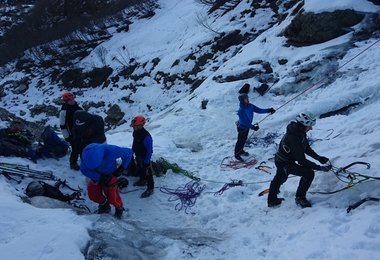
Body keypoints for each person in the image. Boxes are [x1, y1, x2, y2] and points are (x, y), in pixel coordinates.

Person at [267, 112, 332, 208]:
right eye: (309, 126)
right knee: (308, 173)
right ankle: (300, 197)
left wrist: (318, 158)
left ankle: (272, 200)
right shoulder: (293, 138)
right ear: (303, 125)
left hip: (285, 160)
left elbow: (306, 148)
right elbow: (301, 161)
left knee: (279, 179)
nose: (311, 128)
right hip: (284, 163)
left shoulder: (299, 132)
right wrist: (319, 168)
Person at [80, 143, 132, 219]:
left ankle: (119, 208)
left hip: (110, 174)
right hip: (96, 177)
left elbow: (129, 153)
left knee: (112, 198)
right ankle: (104, 204)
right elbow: (84, 170)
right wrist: (99, 177)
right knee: (93, 195)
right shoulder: (86, 156)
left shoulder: (111, 150)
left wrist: (122, 168)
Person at [235, 93, 275, 161]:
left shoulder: (250, 106)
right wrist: (252, 127)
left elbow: (259, 110)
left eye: (247, 98)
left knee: (244, 139)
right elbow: (244, 122)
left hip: (247, 127)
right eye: (246, 99)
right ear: (242, 100)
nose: (247, 99)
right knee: (240, 141)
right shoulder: (241, 111)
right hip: (241, 127)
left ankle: (241, 151)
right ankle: (236, 154)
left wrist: (268, 110)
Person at [131, 115, 154, 198]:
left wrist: (147, 161)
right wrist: (132, 151)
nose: (133, 127)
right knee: (140, 168)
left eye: (135, 126)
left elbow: (149, 150)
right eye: (133, 126)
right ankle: (142, 180)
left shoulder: (147, 137)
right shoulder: (135, 133)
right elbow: (135, 143)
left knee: (148, 172)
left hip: (145, 157)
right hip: (138, 155)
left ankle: (150, 188)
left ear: (141, 125)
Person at [59, 92, 83, 170]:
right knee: (75, 149)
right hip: (71, 134)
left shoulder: (79, 108)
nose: (72, 101)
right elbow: (63, 125)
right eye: (70, 100)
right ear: (66, 101)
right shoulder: (64, 111)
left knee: (83, 148)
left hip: (81, 132)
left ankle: (85, 162)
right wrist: (67, 136)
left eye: (72, 99)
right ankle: (73, 163)